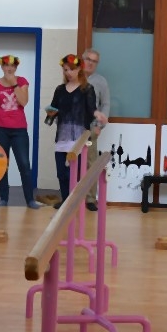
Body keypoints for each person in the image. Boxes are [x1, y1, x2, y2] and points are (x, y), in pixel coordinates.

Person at [47, 53, 102, 209]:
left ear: (79, 69)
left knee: (75, 174)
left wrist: (98, 119)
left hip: (79, 138)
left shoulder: (87, 89)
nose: (68, 73)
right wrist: (50, 115)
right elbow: (53, 110)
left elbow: (92, 110)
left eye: (71, 69)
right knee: (61, 174)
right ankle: (65, 201)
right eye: (65, 70)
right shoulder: (59, 90)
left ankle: (76, 202)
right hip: (62, 137)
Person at [0, 55, 41, 208]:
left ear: (16, 68)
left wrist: (14, 84)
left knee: (24, 164)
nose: (9, 68)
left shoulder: (22, 81)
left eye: (12, 66)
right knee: (3, 164)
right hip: (0, 129)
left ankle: (29, 199)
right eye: (6, 65)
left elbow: (23, 102)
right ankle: (3, 198)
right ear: (1, 67)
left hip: (19, 130)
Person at [80, 47, 110, 211]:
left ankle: (90, 199)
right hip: (73, 130)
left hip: (91, 131)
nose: (90, 63)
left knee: (90, 163)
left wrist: (99, 126)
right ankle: (70, 197)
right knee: (71, 162)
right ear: (82, 59)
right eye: (88, 59)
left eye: (94, 61)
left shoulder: (101, 81)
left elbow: (105, 105)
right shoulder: (73, 77)